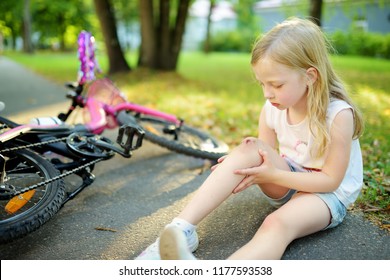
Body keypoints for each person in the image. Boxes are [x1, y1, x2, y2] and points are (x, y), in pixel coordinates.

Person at [135, 17, 364, 260]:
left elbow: (330, 181)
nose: (267, 93)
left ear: (310, 76)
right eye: (262, 84)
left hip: (326, 196)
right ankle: (179, 230)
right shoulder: (272, 107)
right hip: (288, 179)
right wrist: (242, 163)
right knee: (249, 147)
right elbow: (262, 153)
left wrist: (272, 175)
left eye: (276, 84)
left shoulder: (338, 115)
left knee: (275, 224)